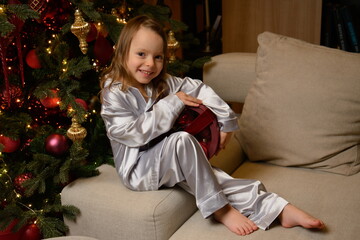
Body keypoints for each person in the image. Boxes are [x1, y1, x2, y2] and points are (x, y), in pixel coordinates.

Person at [100, 15, 325, 236]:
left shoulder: (162, 83)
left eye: (158, 57)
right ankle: (220, 209)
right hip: (138, 170)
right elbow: (131, 134)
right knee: (182, 141)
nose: (150, 63)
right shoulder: (114, 92)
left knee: (209, 174)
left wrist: (226, 122)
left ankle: (276, 208)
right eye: (141, 54)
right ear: (123, 52)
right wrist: (172, 103)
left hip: (165, 157)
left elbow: (199, 89)